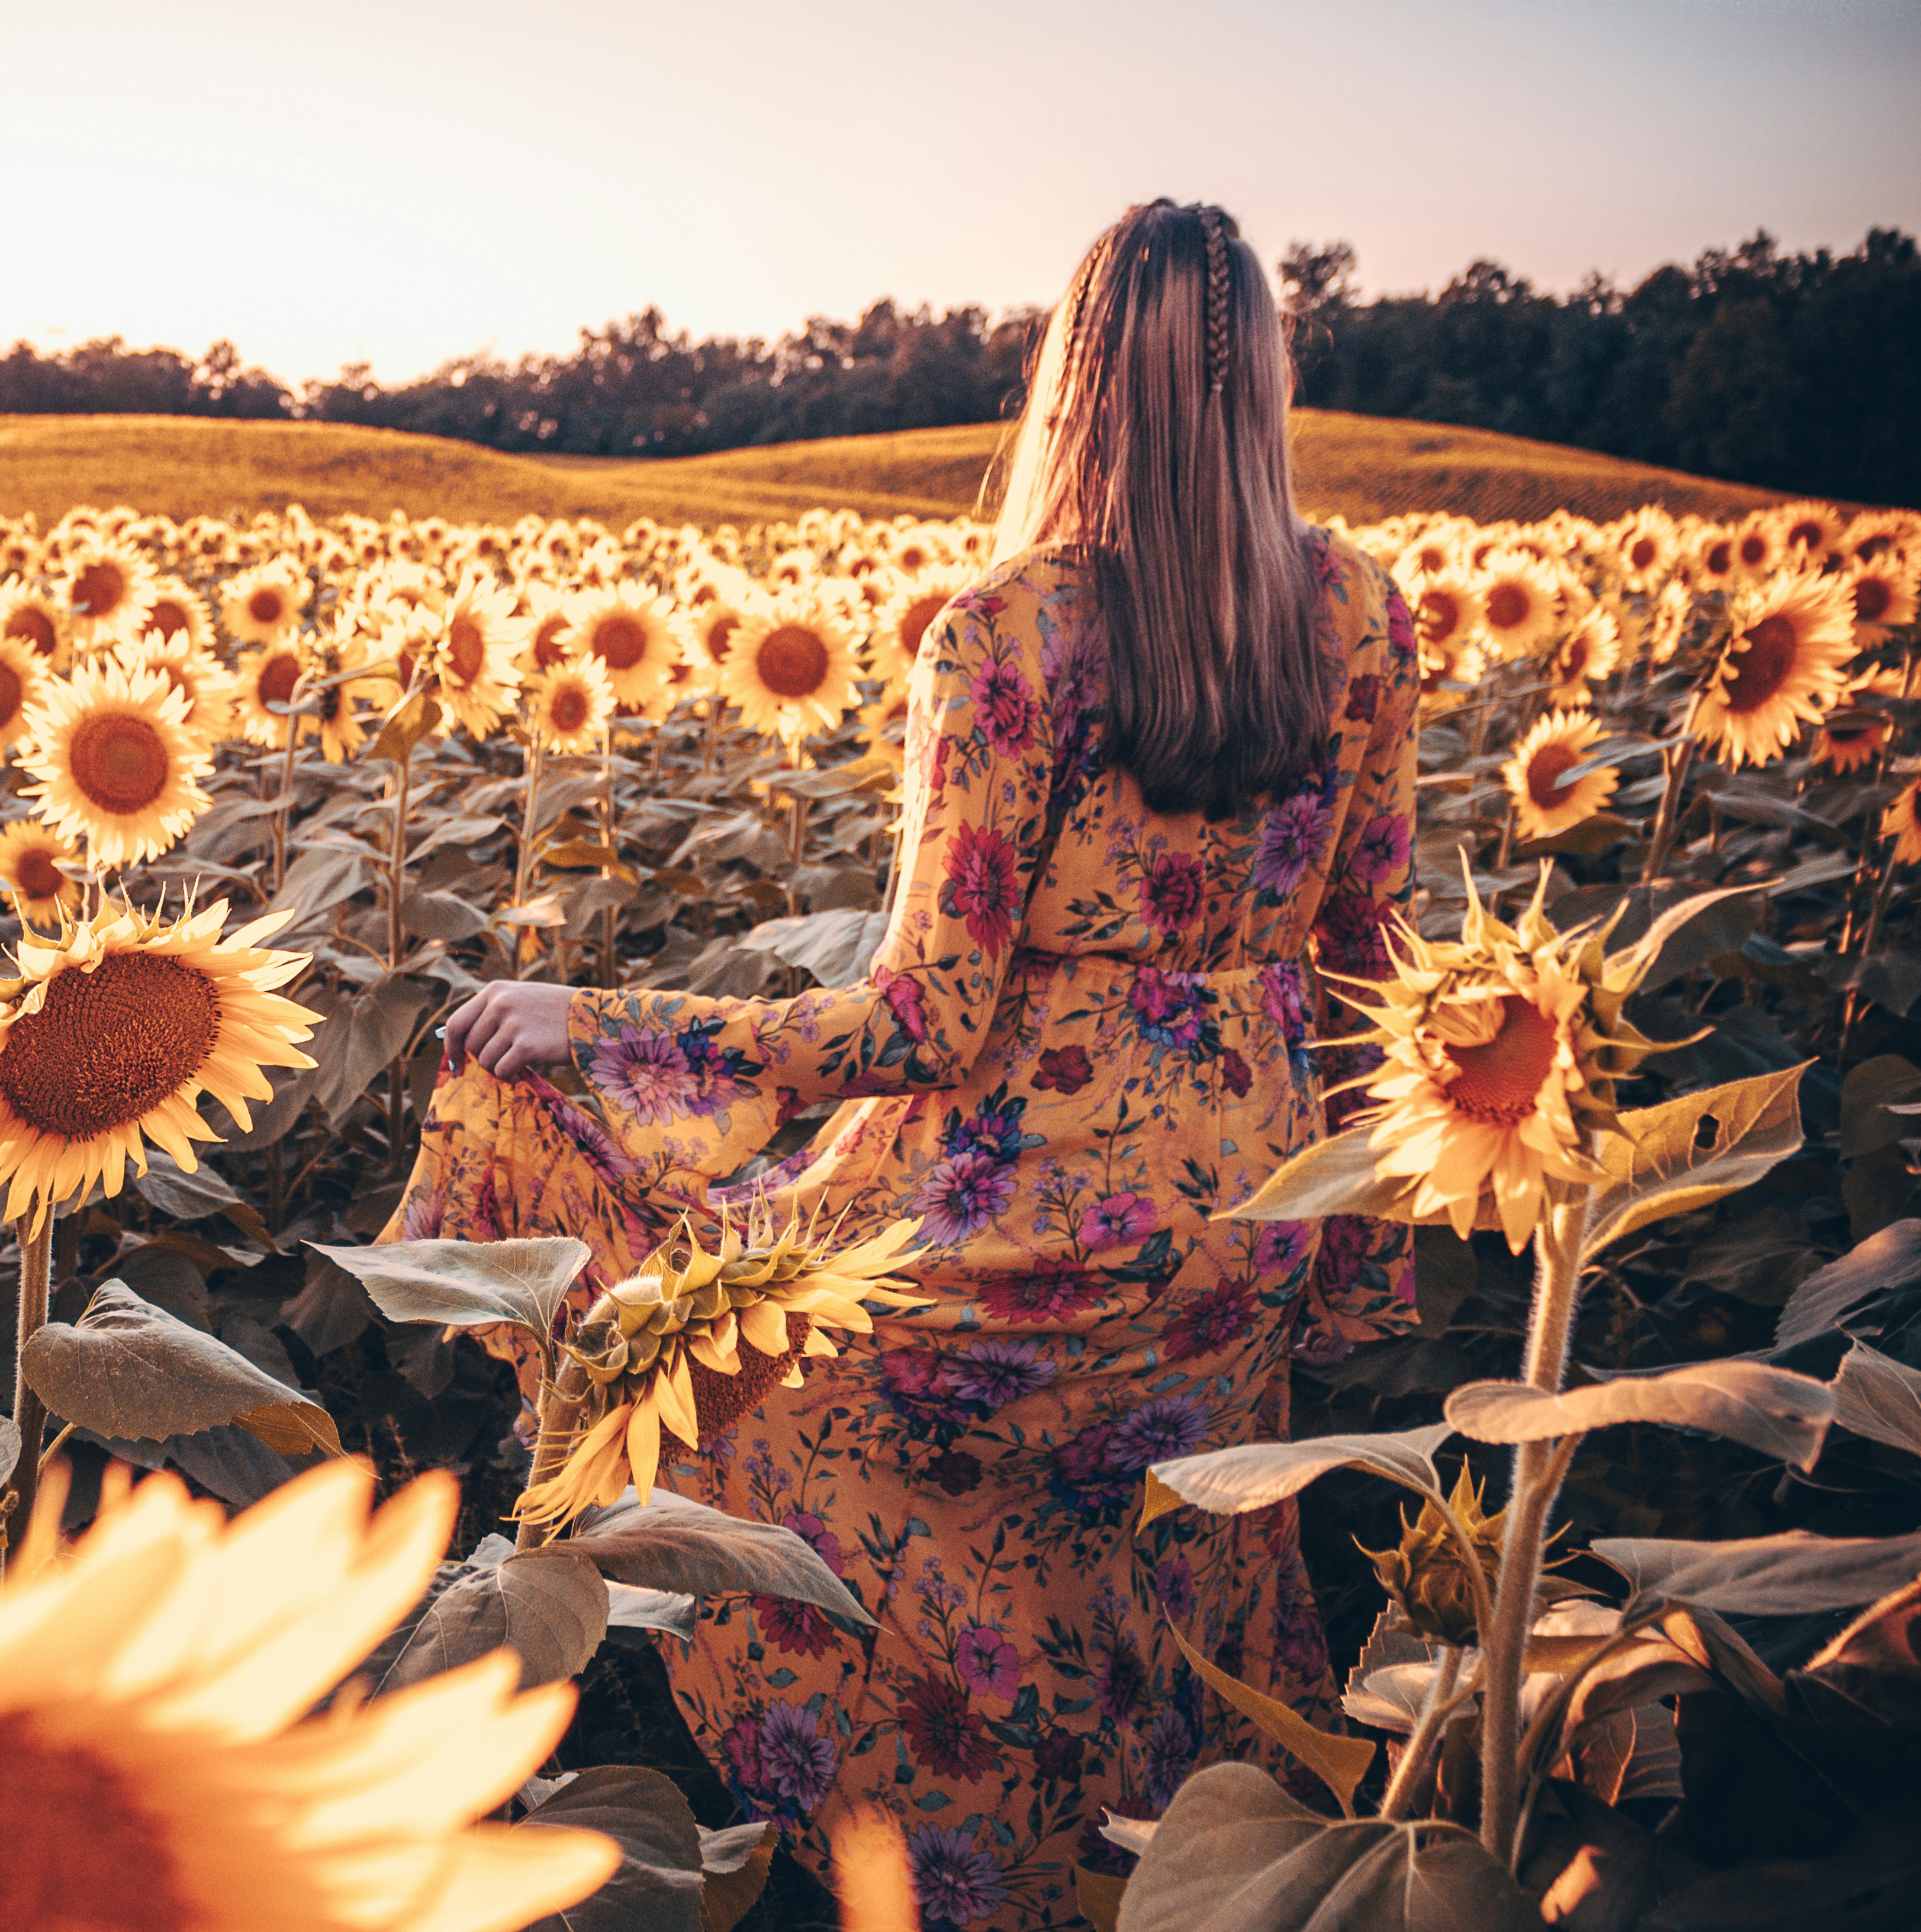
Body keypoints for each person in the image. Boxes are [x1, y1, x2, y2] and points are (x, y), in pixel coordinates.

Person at [396, 199, 1418, 1927]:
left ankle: (953, 1869)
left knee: (722, 1363)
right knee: (1165, 1579)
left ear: (1075, 382)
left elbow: (929, 1021)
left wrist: (620, 1027)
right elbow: (1369, 964)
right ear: (1268, 384)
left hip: (1022, 1241)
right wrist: (1357, 1261)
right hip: (1244, 1227)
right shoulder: (1363, 614)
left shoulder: (1010, 634)